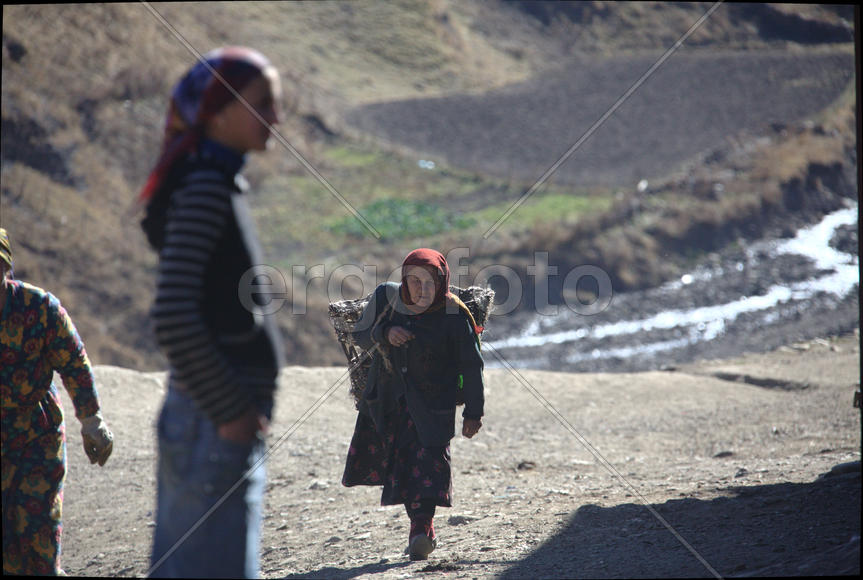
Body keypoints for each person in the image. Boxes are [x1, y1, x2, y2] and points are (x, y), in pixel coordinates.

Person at [138, 47, 285, 578]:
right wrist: (232, 413)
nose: (277, 117)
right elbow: (173, 316)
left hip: (211, 422)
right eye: (263, 103)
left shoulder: (215, 183)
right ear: (219, 112)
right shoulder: (206, 189)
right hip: (210, 424)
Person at [342, 248, 485, 560]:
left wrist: (474, 412)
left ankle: (422, 527)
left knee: (430, 462)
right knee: (407, 464)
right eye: (415, 282)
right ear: (404, 281)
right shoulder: (387, 300)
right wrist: (385, 331)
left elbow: (472, 366)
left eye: (430, 283)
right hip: (393, 401)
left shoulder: (454, 315)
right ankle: (420, 526)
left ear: (442, 282)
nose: (422, 290)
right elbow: (360, 334)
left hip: (435, 406)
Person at [1, 227, 114, 575]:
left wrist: (92, 420)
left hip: (37, 435)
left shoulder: (40, 309)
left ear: (6, 269)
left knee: (39, 538)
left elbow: (74, 363)